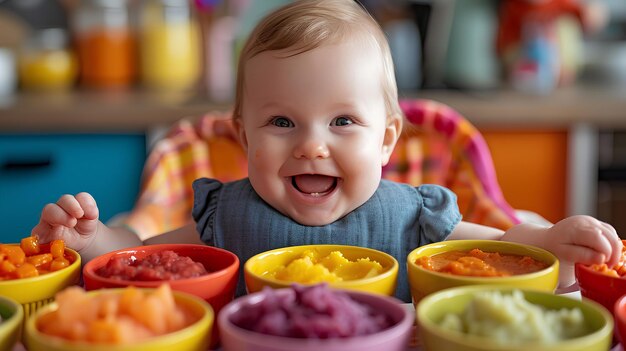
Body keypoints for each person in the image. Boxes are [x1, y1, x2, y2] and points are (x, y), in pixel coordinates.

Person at [33, 0, 621, 302]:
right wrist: (94, 244)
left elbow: (496, 249)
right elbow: (142, 258)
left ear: (387, 138)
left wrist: (550, 241)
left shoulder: (414, 215)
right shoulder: (222, 216)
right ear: (243, 138)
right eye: (282, 121)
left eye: (343, 121)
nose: (312, 144)